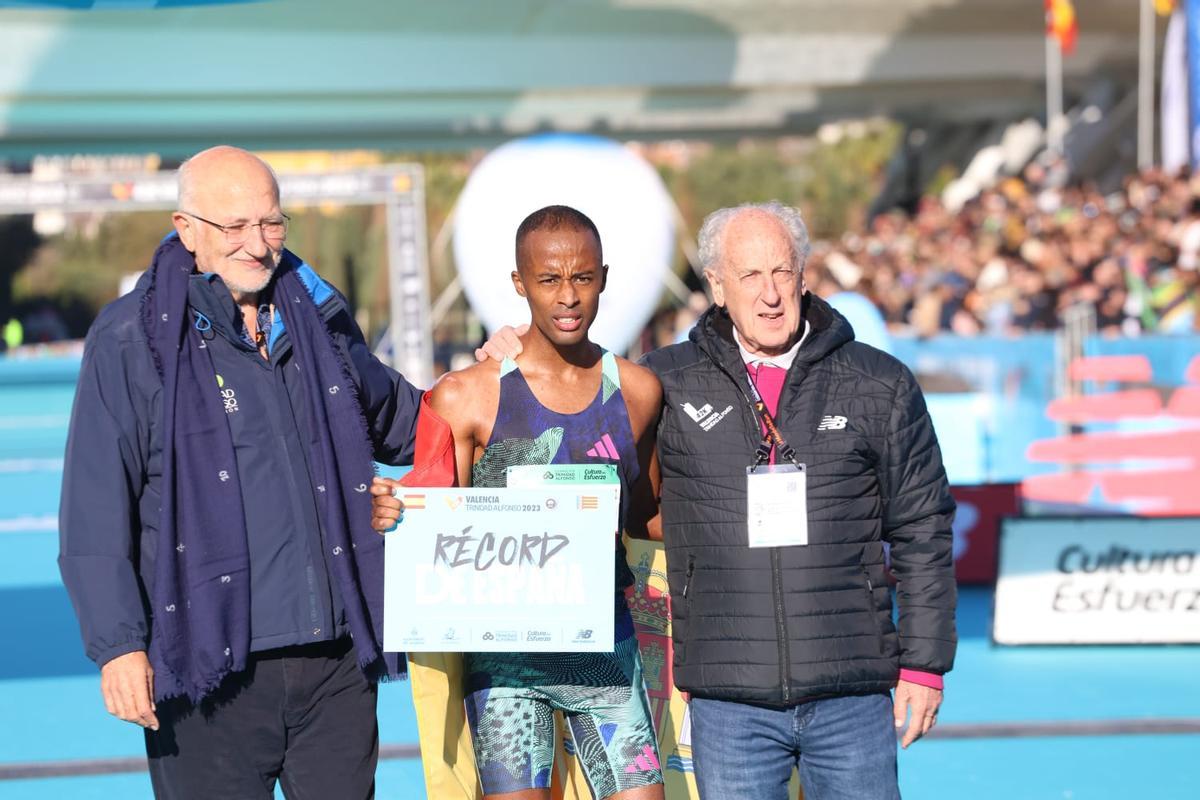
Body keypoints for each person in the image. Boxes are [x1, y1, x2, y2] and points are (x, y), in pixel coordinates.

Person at [469, 202, 957, 800]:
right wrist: (514, 350)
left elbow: (923, 530)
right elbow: (576, 418)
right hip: (730, 703)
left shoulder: (880, 383)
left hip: (851, 692)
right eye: (750, 275)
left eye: (782, 271)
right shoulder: (661, 383)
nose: (771, 293)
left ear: (804, 275)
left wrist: (925, 666)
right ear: (717, 286)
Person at [58, 146, 422, 800]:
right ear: (186, 229)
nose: (257, 244)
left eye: (271, 223)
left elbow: (405, 422)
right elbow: (95, 505)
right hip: (208, 670)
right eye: (235, 227)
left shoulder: (322, 321)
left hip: (334, 660)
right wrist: (118, 646)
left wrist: (501, 373)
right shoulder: (129, 340)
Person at [373, 205, 665, 800]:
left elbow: (648, 519)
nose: (568, 297)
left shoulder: (636, 392)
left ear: (604, 278)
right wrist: (394, 512)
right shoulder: (464, 397)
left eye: (583, 278)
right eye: (549, 280)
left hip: (602, 645)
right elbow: (428, 520)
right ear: (519, 284)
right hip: (506, 661)